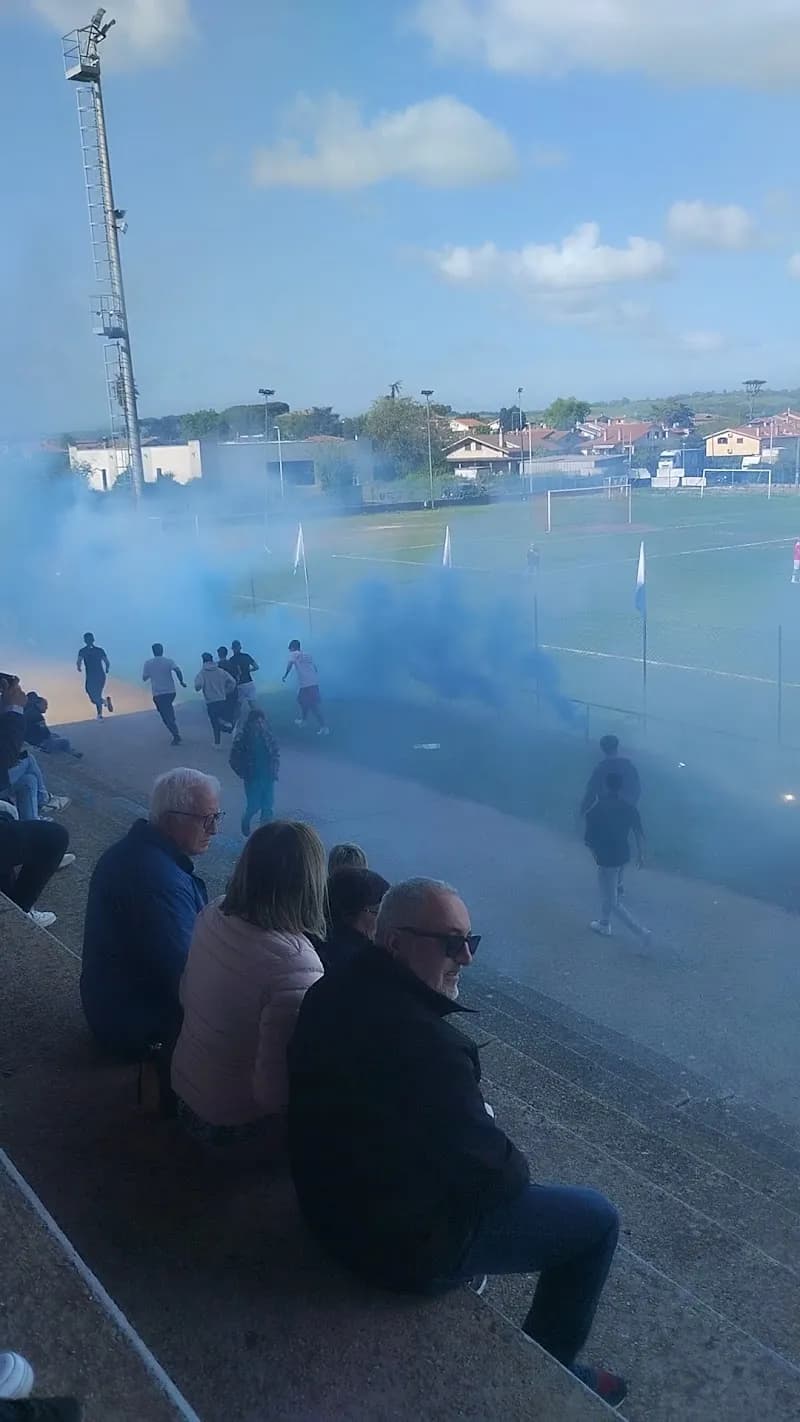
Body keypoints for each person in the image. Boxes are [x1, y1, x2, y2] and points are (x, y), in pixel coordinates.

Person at [288, 877, 626, 1409]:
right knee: (598, 1219)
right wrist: (494, 1134)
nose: (465, 957)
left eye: (470, 941)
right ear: (394, 942)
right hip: (394, 1250)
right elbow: (498, 1176)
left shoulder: (329, 989)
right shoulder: (430, 1048)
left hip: (323, 1212)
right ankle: (552, 1367)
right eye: (450, 943)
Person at [171, 821, 325, 1157]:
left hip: (183, 1087)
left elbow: (185, 996)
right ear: (310, 883)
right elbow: (272, 1093)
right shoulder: (297, 965)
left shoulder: (214, 911)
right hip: (230, 1122)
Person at [80, 768, 219, 1058]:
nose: (214, 830)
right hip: (138, 1027)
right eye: (206, 819)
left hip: (114, 1007)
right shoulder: (159, 882)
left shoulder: (137, 852)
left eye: (217, 817)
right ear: (170, 820)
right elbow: (184, 974)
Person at [584, 772, 650, 941]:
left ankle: (642, 933)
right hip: (622, 855)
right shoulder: (629, 807)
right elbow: (638, 832)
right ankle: (604, 923)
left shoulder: (599, 807)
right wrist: (641, 855)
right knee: (609, 891)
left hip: (607, 858)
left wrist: (594, 852)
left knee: (612, 900)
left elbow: (589, 833)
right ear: (621, 787)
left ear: (606, 785)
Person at [317, 866, 389, 971]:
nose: (383, 919)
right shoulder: (363, 961)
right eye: (377, 911)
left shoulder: (317, 946)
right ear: (350, 912)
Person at [229, 705, 280, 836]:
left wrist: (275, 769)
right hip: (252, 778)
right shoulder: (242, 738)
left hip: (268, 776)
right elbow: (233, 759)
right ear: (251, 722)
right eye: (257, 722)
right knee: (254, 805)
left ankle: (264, 834)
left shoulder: (267, 734)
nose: (260, 724)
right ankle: (246, 820)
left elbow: (275, 752)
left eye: (262, 721)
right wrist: (243, 773)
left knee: (268, 806)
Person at [579, 734, 640, 816]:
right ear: (617, 747)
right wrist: (629, 807)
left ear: (602, 749)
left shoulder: (600, 769)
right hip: (625, 813)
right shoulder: (629, 767)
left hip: (605, 813)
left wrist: (582, 811)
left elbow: (590, 794)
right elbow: (636, 791)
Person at [142, 642, 186, 746]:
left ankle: (176, 735)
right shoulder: (168, 661)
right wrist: (181, 681)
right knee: (168, 708)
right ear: (162, 650)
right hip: (171, 692)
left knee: (165, 716)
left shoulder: (148, 663)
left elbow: (144, 678)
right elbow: (177, 670)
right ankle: (172, 720)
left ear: (153, 652)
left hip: (158, 694)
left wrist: (152, 674)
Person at [282, 639, 328, 734]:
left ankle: (324, 727)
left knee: (312, 706)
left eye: (290, 648)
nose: (289, 650)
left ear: (293, 647)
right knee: (302, 700)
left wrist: (285, 675)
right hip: (312, 682)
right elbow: (315, 667)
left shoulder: (294, 654)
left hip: (306, 684)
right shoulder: (308, 654)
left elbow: (290, 665)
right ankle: (304, 720)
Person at [194, 653, 236, 747]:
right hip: (222, 699)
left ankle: (218, 742)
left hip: (211, 701)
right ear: (212, 659)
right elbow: (233, 682)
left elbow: (198, 686)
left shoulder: (202, 673)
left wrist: (199, 687)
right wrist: (227, 691)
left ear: (203, 661)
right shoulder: (221, 671)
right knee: (220, 720)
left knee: (214, 722)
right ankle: (228, 729)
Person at [24, 692, 82, 759]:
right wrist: (49, 738)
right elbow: (45, 732)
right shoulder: (37, 716)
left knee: (56, 735)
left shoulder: (28, 711)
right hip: (39, 743)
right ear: (38, 704)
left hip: (30, 740)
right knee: (65, 741)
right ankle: (71, 753)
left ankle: (69, 751)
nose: (46, 707)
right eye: (45, 705)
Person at [76, 632, 112, 719]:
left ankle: (99, 715)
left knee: (96, 694)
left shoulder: (88, 651)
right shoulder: (95, 650)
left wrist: (79, 667)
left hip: (96, 676)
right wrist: (107, 668)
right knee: (93, 697)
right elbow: (107, 662)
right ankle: (105, 702)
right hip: (96, 676)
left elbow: (79, 661)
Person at [228, 639, 259, 712]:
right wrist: (249, 670)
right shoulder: (246, 656)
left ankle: (236, 719)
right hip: (249, 682)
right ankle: (258, 717)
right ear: (240, 648)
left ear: (233, 649)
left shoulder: (231, 660)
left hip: (239, 685)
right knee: (253, 705)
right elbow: (256, 667)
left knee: (238, 706)